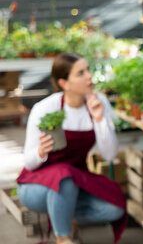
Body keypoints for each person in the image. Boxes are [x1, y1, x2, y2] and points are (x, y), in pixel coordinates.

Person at [17, 53, 126, 244]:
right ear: (64, 83)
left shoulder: (99, 102)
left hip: (77, 180)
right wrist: (41, 151)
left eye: (88, 70)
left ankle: (65, 215)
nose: (89, 76)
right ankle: (64, 238)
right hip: (36, 185)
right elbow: (29, 162)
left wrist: (99, 120)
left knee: (114, 207)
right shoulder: (45, 109)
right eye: (80, 73)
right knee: (64, 176)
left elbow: (109, 154)